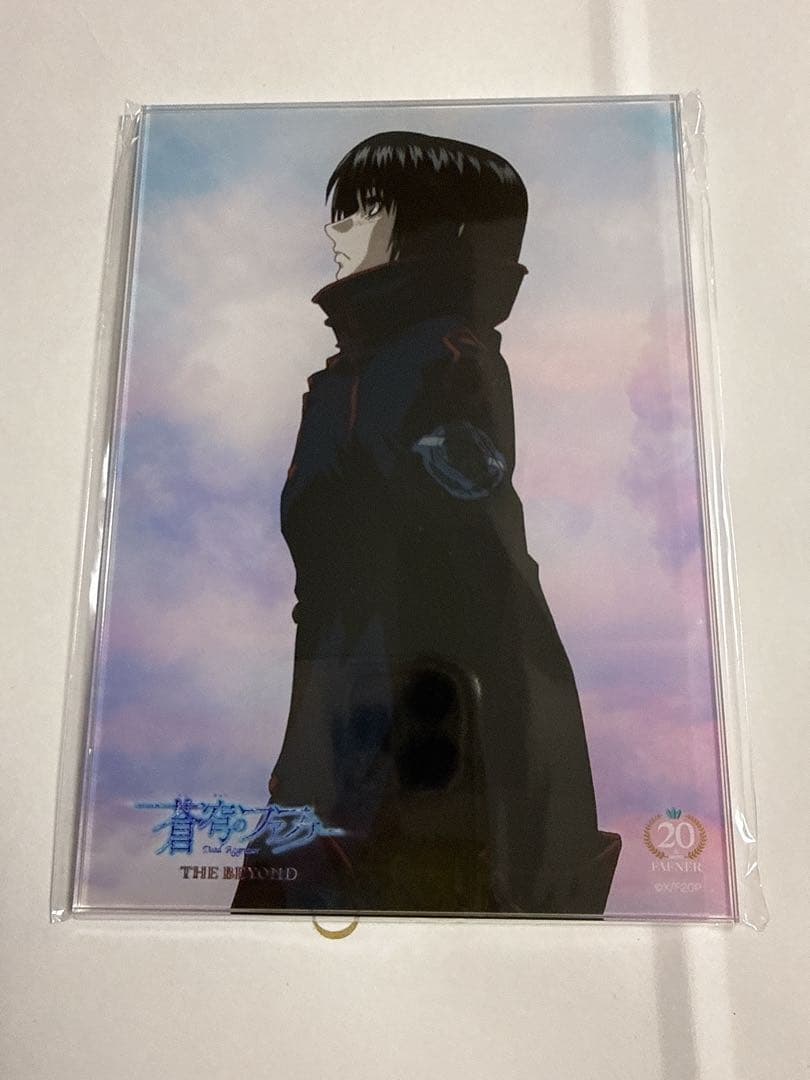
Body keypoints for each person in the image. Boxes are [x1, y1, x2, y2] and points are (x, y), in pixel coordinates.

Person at [232, 131, 620, 916]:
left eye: (361, 211)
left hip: (421, 755)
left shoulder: (442, 361)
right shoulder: (366, 370)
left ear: (423, 231)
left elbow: (461, 557)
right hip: (352, 731)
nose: (336, 230)